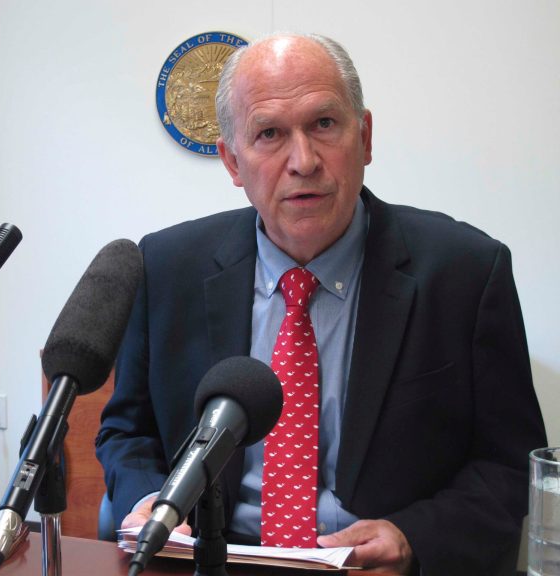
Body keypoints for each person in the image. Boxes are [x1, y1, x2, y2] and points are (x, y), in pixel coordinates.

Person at [95, 32, 546, 575]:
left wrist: (413, 538)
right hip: (210, 558)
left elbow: (508, 466)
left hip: (370, 567)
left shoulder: (466, 272)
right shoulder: (167, 266)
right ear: (233, 163)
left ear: (366, 137)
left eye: (324, 125)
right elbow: (128, 433)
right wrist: (148, 502)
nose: (303, 161)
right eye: (269, 134)